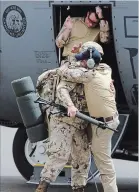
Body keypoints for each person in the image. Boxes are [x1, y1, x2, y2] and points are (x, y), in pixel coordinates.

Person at [55, 41, 120, 192]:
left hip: (103, 124)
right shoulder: (106, 69)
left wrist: (67, 62)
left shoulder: (88, 75)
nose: (81, 62)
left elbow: (63, 72)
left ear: (91, 62)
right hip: (105, 121)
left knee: (103, 161)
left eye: (84, 60)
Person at [35, 59, 91, 192]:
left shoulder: (89, 71)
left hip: (79, 122)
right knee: (59, 154)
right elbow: (61, 89)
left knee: (82, 157)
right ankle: (42, 187)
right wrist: (70, 106)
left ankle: (79, 187)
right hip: (62, 120)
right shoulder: (72, 73)